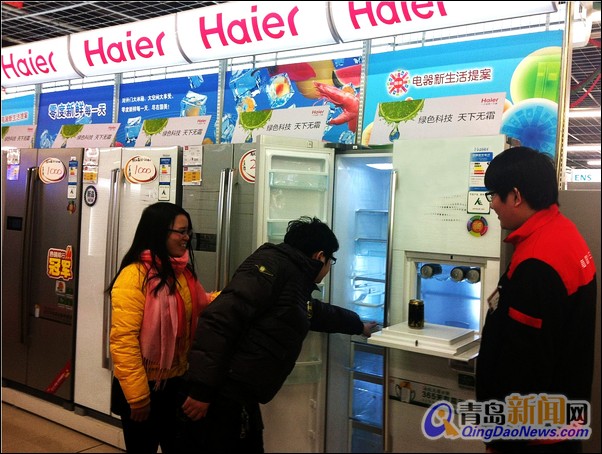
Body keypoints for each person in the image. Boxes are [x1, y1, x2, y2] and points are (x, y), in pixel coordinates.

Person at [178, 216, 377, 452]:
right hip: (224, 394)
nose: (328, 269)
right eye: (331, 261)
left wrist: (358, 325)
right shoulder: (272, 269)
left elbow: (313, 312)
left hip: (240, 393)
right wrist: (202, 391)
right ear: (320, 256)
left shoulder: (291, 276)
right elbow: (219, 321)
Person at [476, 147, 597, 453]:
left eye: (495, 195)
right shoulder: (563, 232)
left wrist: (499, 439)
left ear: (516, 196)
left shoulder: (536, 263)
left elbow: (523, 368)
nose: (492, 204)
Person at [108, 202, 216, 453]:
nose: (187, 238)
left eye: (188, 231)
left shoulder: (181, 273)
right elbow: (124, 341)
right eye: (181, 231)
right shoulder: (134, 276)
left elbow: (201, 302)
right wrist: (138, 397)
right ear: (159, 232)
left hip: (177, 382)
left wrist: (235, 296)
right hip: (144, 386)